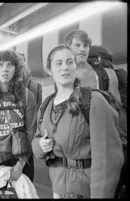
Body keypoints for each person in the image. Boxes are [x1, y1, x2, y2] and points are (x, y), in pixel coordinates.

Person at [31, 45, 124, 198]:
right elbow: (35, 142)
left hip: (85, 192)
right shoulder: (46, 105)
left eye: (69, 62)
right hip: (57, 189)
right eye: (58, 63)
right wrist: (40, 145)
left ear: (76, 66)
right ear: (49, 70)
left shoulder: (93, 102)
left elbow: (108, 159)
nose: (65, 68)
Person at [0, 49, 37, 182]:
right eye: (0, 65)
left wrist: (20, 165)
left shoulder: (27, 96)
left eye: (10, 65)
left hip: (22, 161)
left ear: (16, 69)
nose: (5, 69)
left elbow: (31, 133)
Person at [64, 29, 121, 101]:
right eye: (77, 45)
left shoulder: (109, 74)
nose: (82, 49)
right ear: (68, 49)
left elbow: (117, 107)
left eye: (85, 46)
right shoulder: (64, 76)